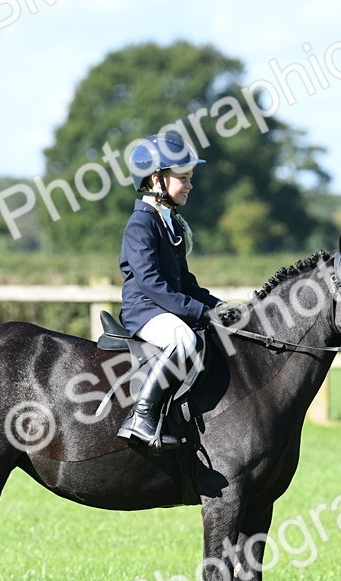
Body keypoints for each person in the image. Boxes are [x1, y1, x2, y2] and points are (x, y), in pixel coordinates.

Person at [116, 131, 235, 448]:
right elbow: (152, 284)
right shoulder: (140, 224)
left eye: (190, 177)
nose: (190, 185)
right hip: (145, 311)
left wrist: (218, 305)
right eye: (183, 178)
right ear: (156, 179)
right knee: (184, 338)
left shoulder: (170, 221)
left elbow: (185, 281)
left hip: (166, 308)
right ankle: (141, 416)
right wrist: (199, 311)